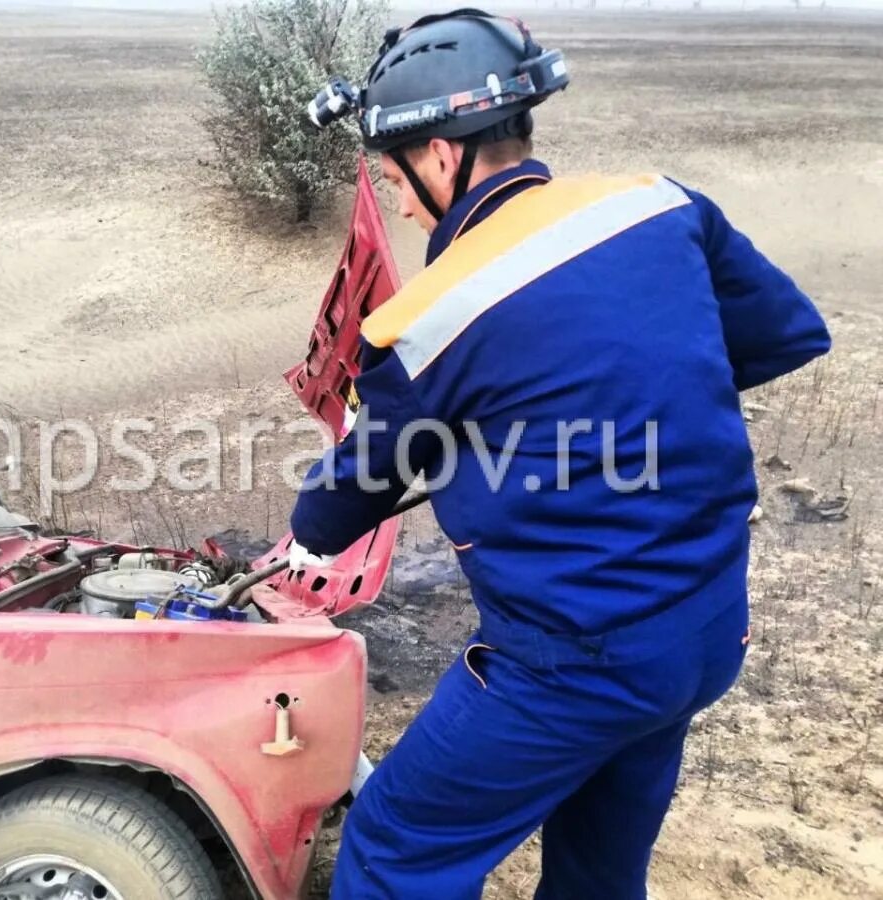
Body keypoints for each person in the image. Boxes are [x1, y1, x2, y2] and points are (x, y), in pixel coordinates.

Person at [292, 9, 832, 899]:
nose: (395, 197)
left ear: (440, 156)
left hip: (575, 663)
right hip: (704, 631)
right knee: (598, 866)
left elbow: (353, 488)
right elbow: (784, 332)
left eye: (392, 176)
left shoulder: (429, 321)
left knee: (395, 843)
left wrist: (309, 532)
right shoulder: (661, 203)